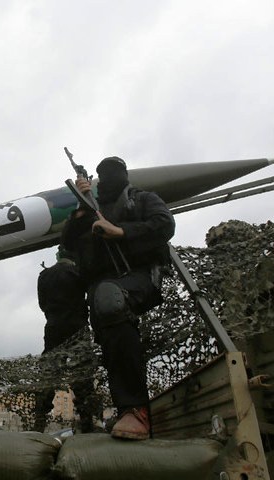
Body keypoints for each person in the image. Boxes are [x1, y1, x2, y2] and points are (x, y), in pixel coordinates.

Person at [60, 156, 175, 440]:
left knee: (109, 299)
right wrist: (80, 207)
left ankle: (136, 410)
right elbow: (68, 244)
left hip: (140, 277)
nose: (108, 178)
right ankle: (125, 410)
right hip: (102, 289)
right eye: (103, 174)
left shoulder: (142, 199)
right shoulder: (89, 211)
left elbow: (164, 225)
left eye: (113, 173)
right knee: (108, 321)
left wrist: (121, 231)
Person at [34, 245, 98, 433]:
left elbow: (42, 303)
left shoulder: (44, 275)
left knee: (49, 374)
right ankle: (86, 421)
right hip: (77, 328)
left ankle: (39, 420)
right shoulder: (79, 272)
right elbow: (91, 298)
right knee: (82, 372)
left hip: (53, 327)